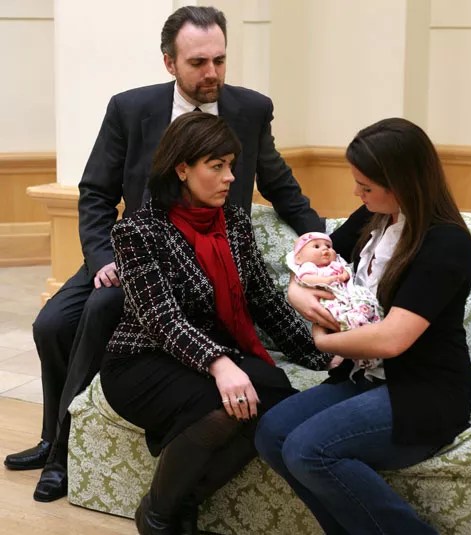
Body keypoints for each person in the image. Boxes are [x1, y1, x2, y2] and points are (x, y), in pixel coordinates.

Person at [3, 5, 324, 503]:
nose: (211, 72)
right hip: (129, 251)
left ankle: (64, 455)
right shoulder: (131, 108)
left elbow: (282, 186)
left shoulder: (251, 109)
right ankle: (55, 438)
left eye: (219, 60)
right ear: (170, 63)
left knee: (104, 309)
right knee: (52, 325)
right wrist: (103, 259)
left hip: (202, 260)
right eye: (198, 62)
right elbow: (96, 193)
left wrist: (320, 240)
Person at [99, 111, 331, 535]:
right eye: (216, 166)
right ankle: (157, 519)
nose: (230, 177)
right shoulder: (137, 231)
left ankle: (178, 507)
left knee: (275, 396)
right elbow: (160, 317)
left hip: (210, 355)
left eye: (231, 165)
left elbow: (264, 301)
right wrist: (220, 364)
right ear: (182, 169)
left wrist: (324, 354)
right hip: (142, 361)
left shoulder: (235, 223)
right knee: (228, 405)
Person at [255, 117, 471, 534]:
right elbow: (312, 261)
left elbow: (392, 340)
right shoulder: (376, 215)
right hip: (364, 377)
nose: (356, 193)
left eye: (366, 186)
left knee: (307, 450)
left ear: (402, 184)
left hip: (423, 392)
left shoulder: (445, 243)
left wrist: (324, 339)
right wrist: (297, 293)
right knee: (272, 433)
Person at [288, 231, 384, 374]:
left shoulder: (336, 264)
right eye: (316, 246)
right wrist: (322, 281)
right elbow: (305, 278)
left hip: (349, 296)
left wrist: (344, 275)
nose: (325, 249)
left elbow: (346, 272)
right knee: (346, 321)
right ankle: (361, 354)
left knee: (367, 309)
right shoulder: (309, 267)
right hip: (330, 300)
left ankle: (366, 345)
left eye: (328, 246)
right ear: (299, 258)